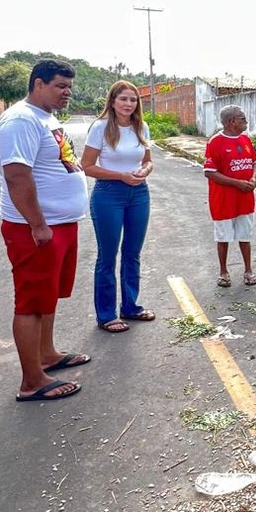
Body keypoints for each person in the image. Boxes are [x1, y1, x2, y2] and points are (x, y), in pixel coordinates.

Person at [0, 59, 90, 402]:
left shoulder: (45, 118)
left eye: (68, 87)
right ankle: (31, 380)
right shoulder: (19, 120)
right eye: (59, 86)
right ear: (38, 84)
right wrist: (37, 224)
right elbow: (17, 176)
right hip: (34, 229)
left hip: (59, 225)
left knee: (48, 297)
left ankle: (46, 355)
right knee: (32, 302)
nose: (66, 93)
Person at [80, 81, 155, 333]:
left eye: (133, 100)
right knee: (107, 255)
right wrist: (121, 176)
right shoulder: (100, 128)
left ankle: (131, 306)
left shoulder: (140, 127)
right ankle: (106, 315)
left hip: (139, 194)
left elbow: (148, 161)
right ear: (112, 101)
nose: (128, 104)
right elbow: (87, 166)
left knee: (133, 252)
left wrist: (144, 171)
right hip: (108, 194)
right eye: (123, 99)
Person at [203, 105, 256, 287]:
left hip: (245, 199)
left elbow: (254, 163)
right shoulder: (215, 143)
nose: (246, 121)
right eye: (242, 119)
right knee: (223, 237)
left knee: (245, 236)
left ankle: (248, 270)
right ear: (231, 122)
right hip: (224, 201)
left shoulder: (245, 140)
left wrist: (252, 178)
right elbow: (210, 172)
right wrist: (237, 183)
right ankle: (223, 272)